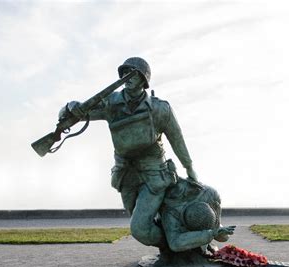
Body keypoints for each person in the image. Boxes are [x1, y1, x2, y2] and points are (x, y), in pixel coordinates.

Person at [59, 57, 197, 248]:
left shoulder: (159, 108)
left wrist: (189, 169)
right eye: (124, 72)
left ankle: (176, 248)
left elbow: (177, 140)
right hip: (126, 176)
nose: (127, 77)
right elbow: (80, 115)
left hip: (153, 175)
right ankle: (173, 246)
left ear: (143, 79)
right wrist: (69, 107)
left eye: (133, 73)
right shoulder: (109, 103)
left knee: (139, 229)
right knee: (142, 223)